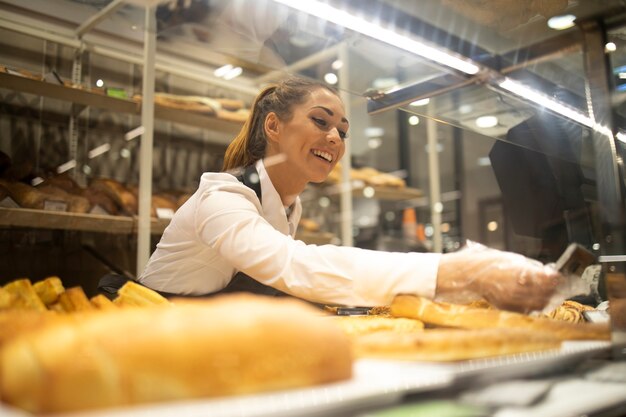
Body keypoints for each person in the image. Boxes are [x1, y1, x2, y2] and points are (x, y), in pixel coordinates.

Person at [138, 76, 561, 313]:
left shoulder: (289, 205)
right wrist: (456, 271)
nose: (335, 137)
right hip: (146, 334)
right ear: (273, 127)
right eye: (321, 121)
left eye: (341, 130)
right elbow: (293, 264)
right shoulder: (223, 198)